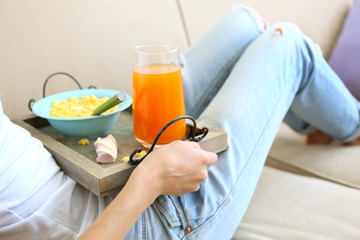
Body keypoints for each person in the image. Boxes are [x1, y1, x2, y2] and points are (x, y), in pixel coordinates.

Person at [1, 5, 359, 240]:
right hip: (148, 220)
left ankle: (314, 118)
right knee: (289, 45)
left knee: (246, 23)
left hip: (98, 179)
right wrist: (153, 177)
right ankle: (351, 128)